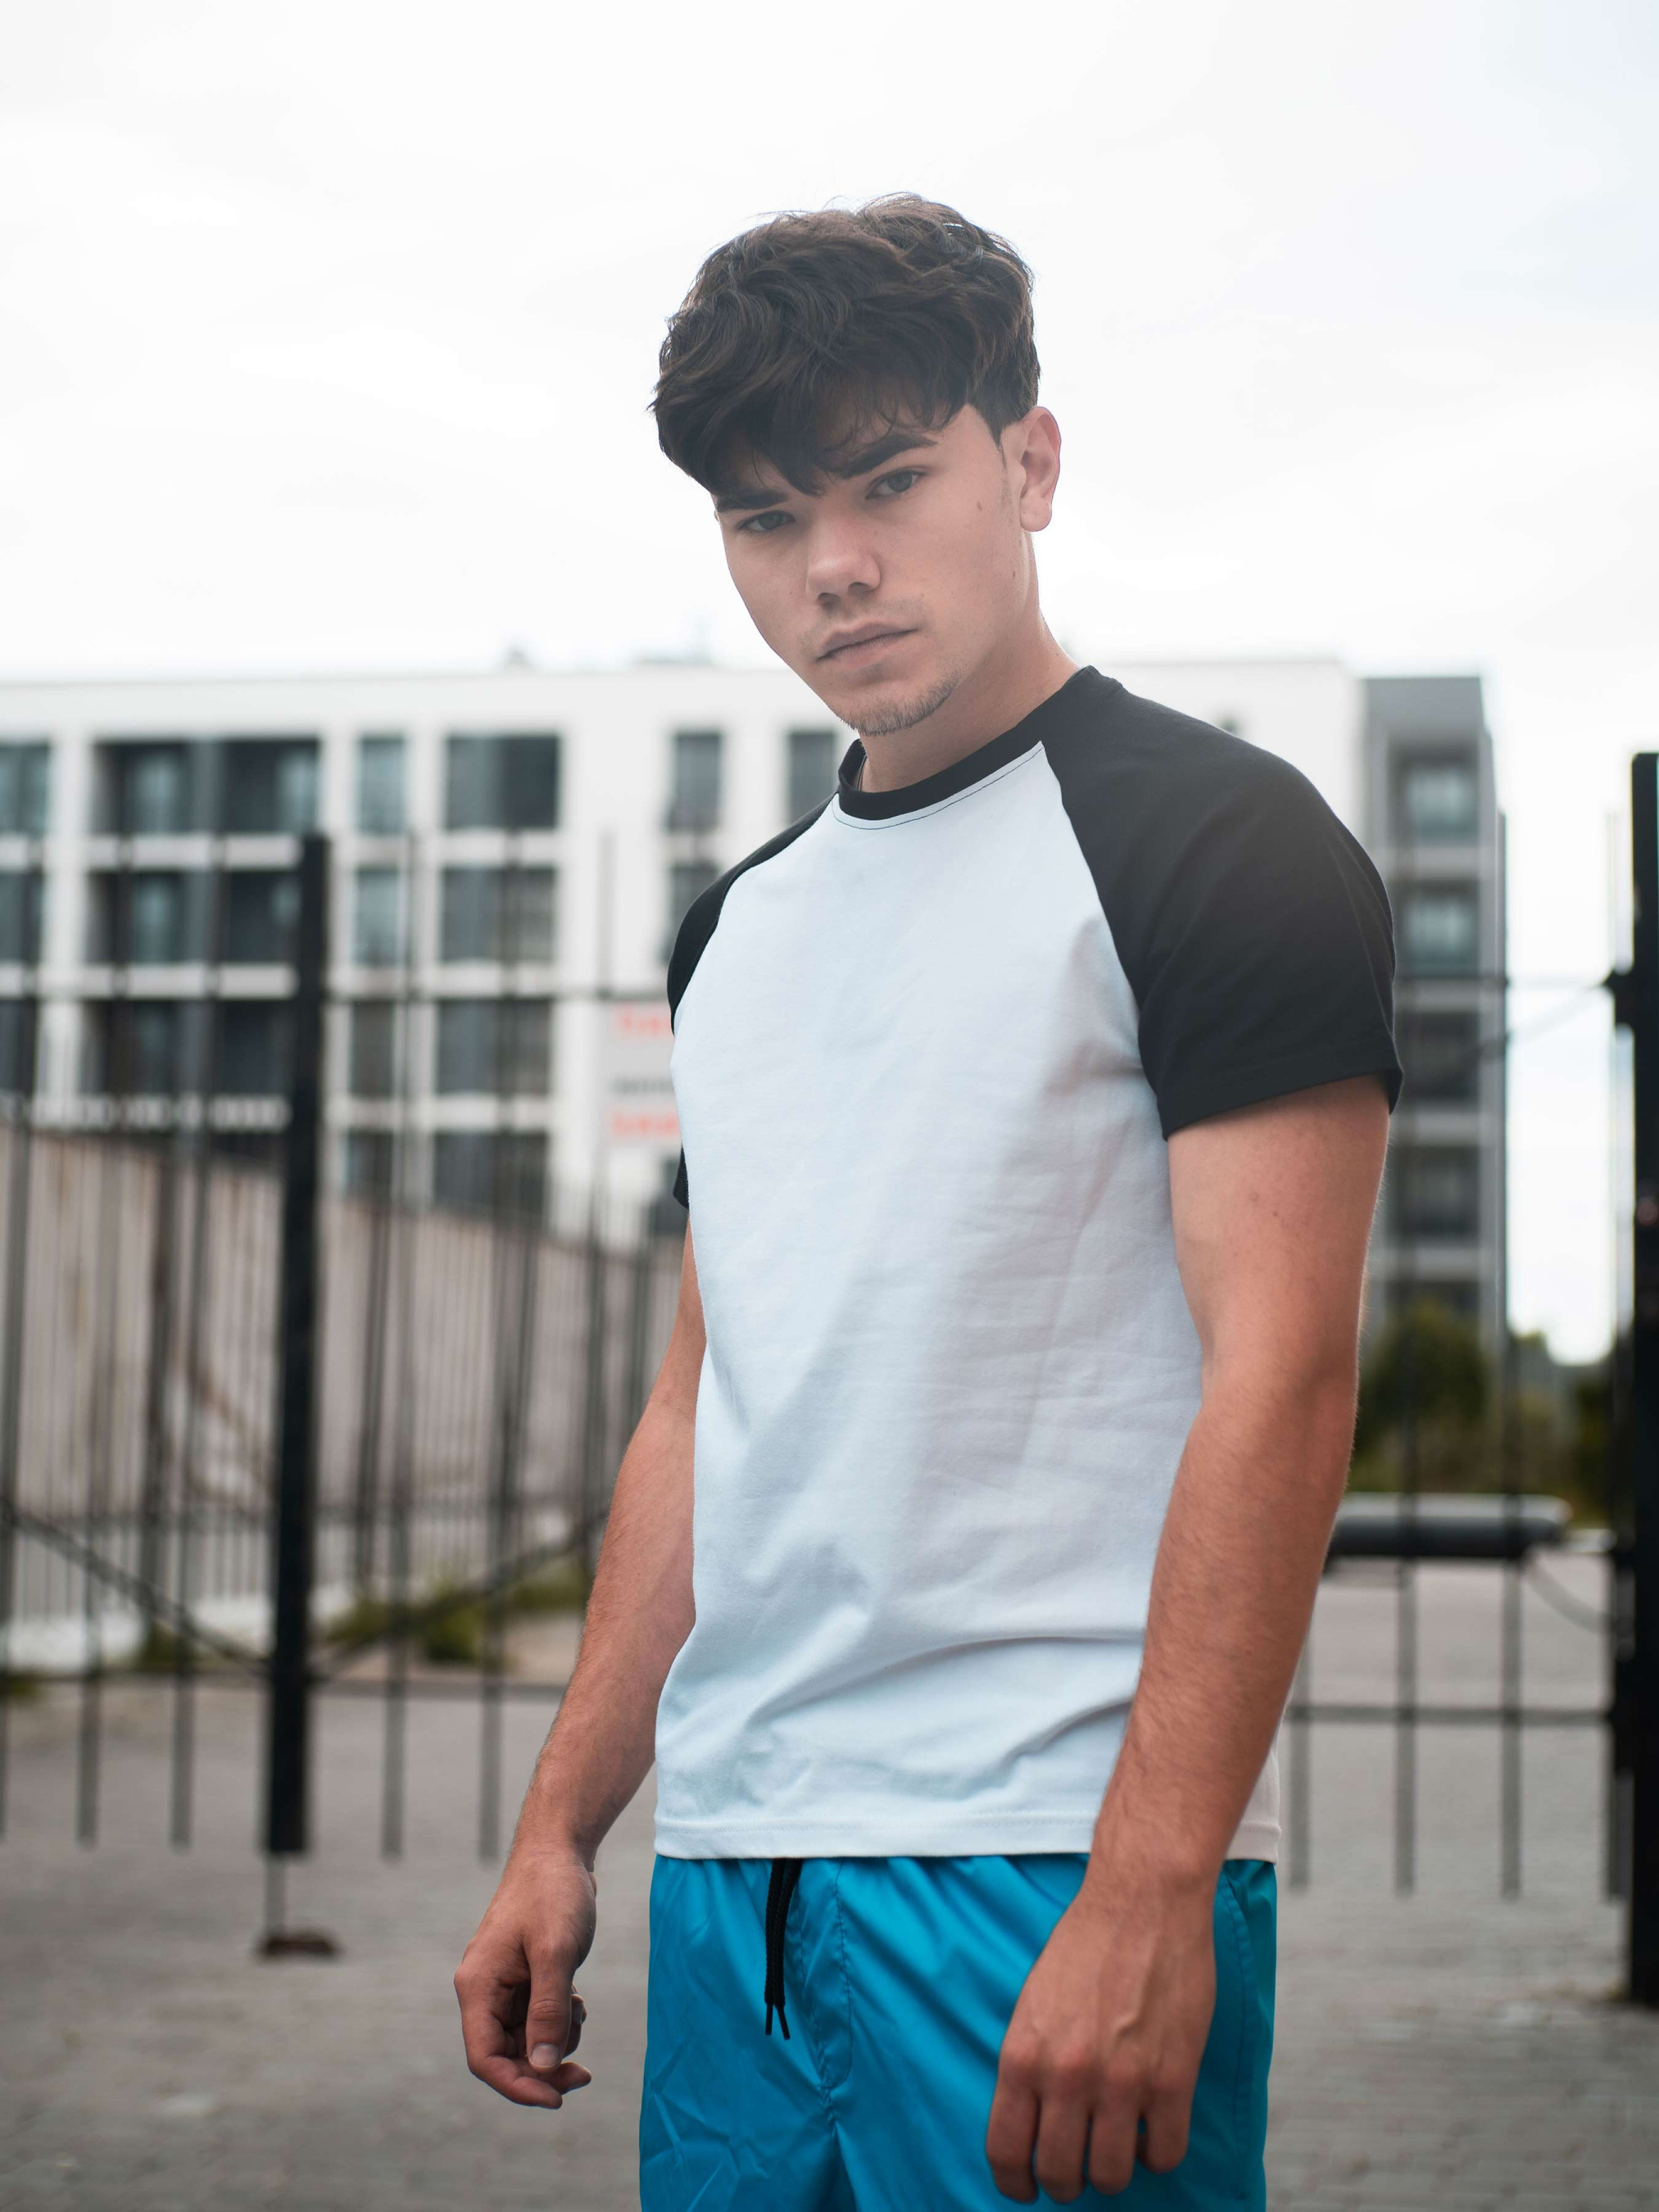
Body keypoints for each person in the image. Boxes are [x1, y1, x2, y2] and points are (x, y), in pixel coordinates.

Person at [456, 193, 1399, 2209]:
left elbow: (1285, 1380)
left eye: (888, 481)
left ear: (1027, 463)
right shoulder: (738, 930)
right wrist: (560, 1824)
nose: (833, 566)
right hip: (737, 1877)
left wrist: (1150, 1888)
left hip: (1040, 1864)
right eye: (767, 517)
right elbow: (702, 1404)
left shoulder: (1216, 843)